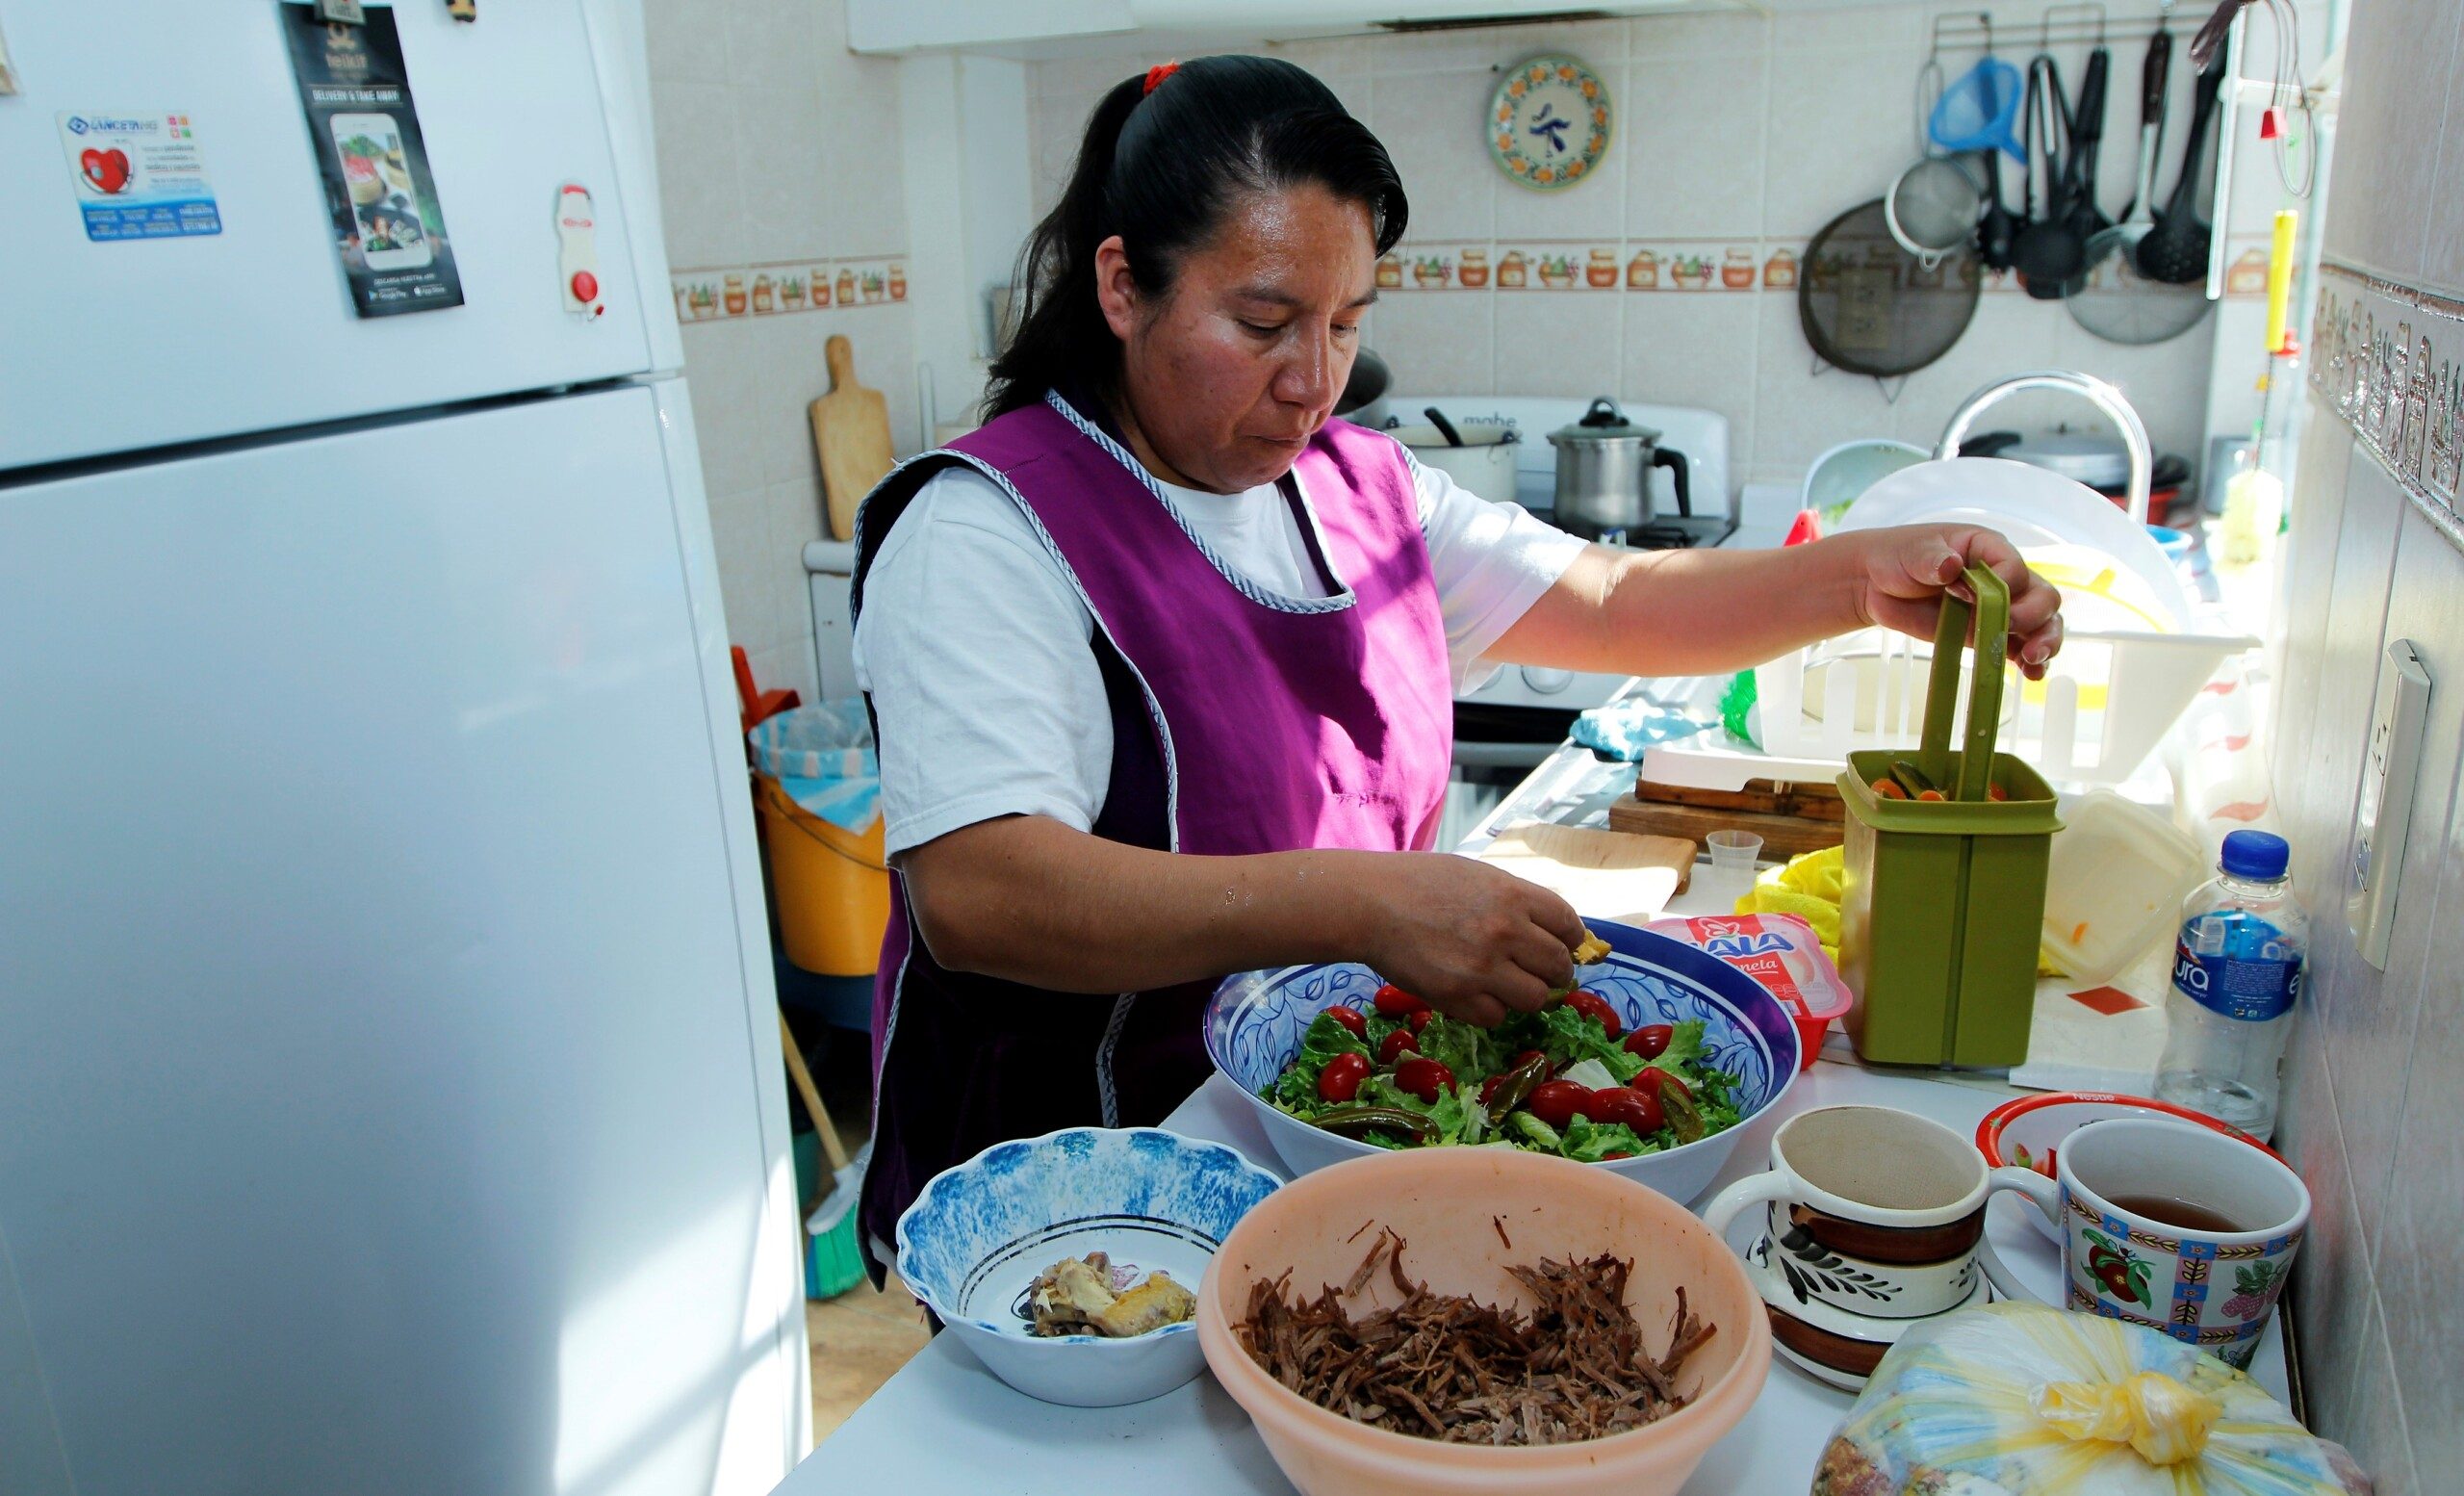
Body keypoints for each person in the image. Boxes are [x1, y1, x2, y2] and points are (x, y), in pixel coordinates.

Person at [848, 55, 2062, 1257]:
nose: (1312, 381)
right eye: (1263, 323)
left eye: (1345, 324)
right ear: (1123, 287)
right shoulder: (986, 528)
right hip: (1076, 1211)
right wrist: (1364, 902)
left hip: (1309, 1156)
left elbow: (1613, 598)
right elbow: (983, 894)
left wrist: (1862, 574)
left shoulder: (1356, 495)